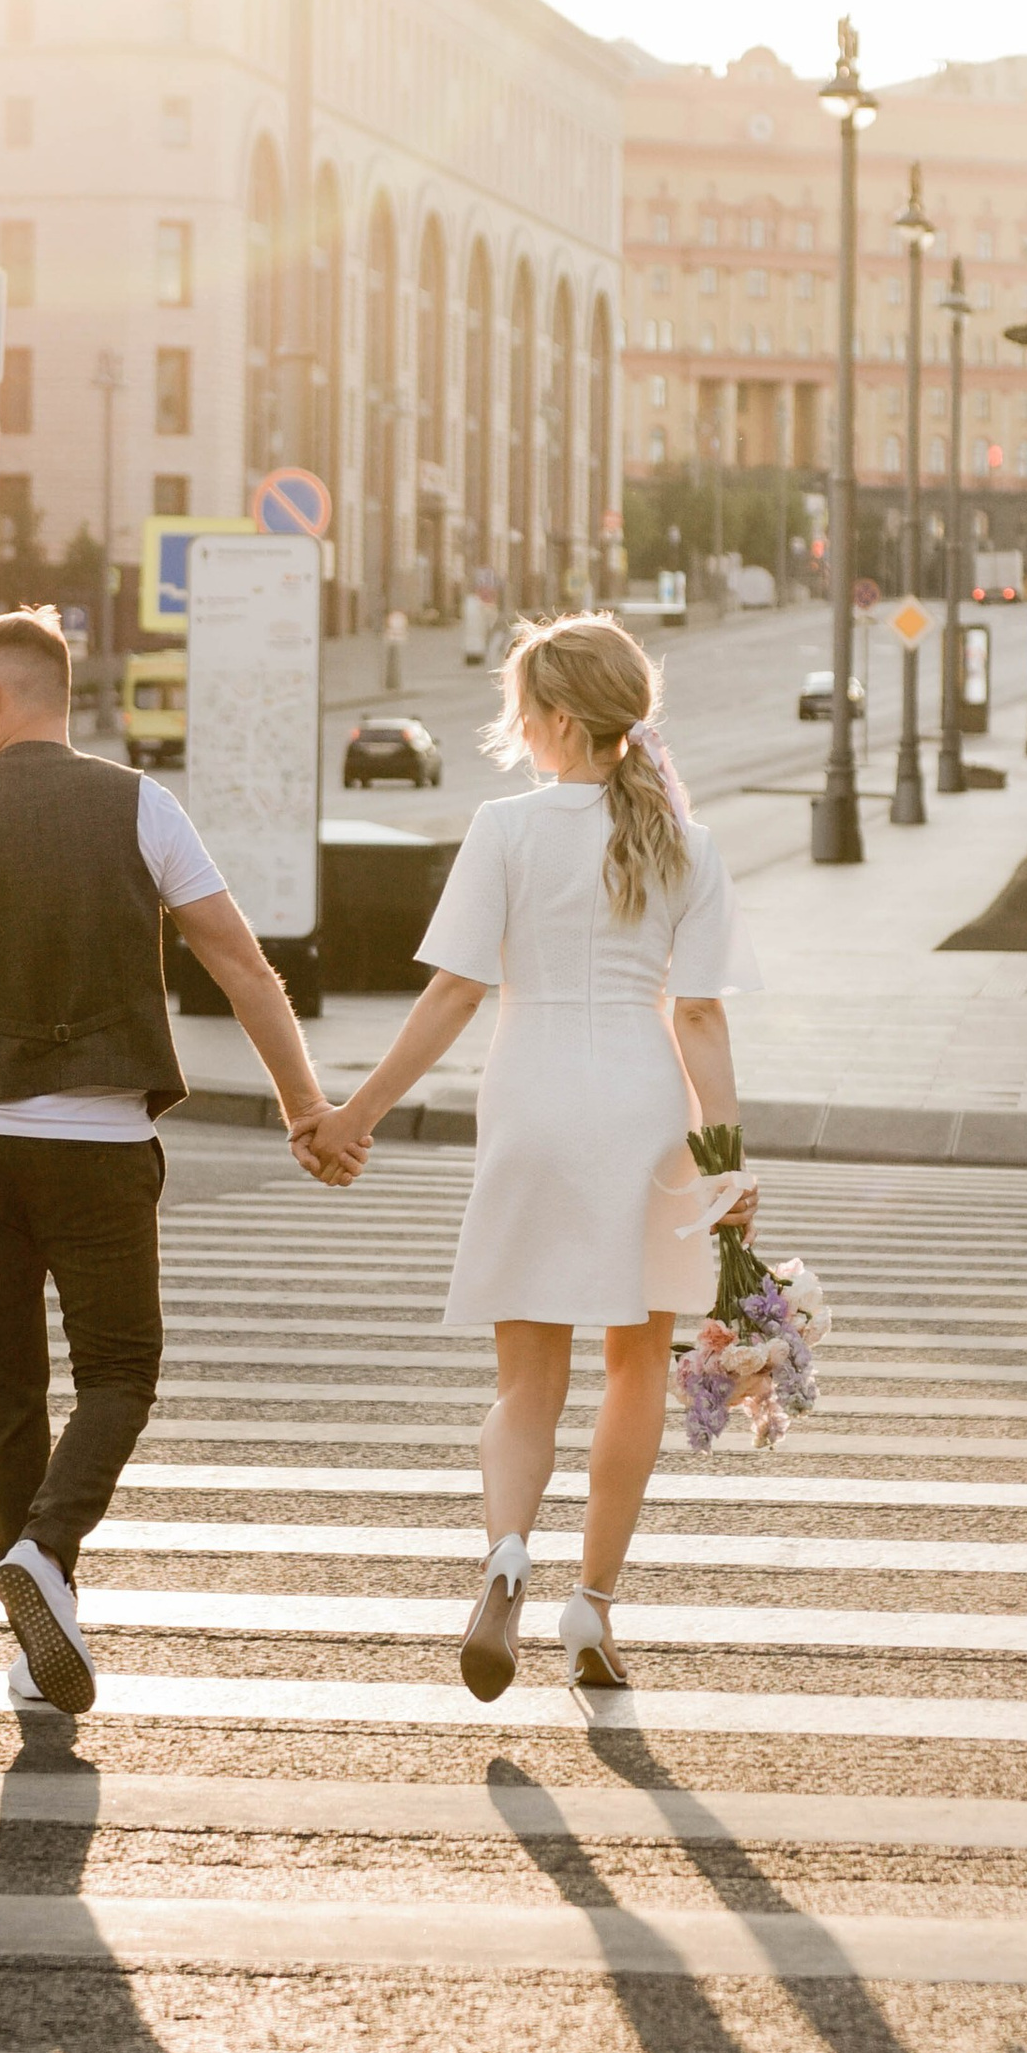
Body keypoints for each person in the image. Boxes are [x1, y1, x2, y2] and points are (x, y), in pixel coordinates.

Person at [0, 602, 343, 1715]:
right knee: (120, 1374)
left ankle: (42, 1625)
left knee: (9, 1387)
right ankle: (45, 1557)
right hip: (103, 1144)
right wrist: (305, 1106)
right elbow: (243, 967)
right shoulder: (143, 806)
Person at [305, 610, 759, 1698]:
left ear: (555, 718)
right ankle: (591, 1603)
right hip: (646, 1110)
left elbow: (453, 993)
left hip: (530, 1104)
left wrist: (355, 1112)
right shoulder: (688, 845)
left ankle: (507, 1552)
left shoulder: (504, 829)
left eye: (522, 710)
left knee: (526, 1380)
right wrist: (729, 1162)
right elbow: (700, 1017)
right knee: (634, 1368)